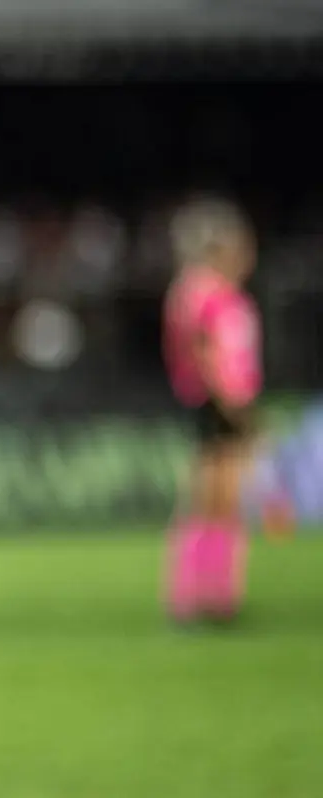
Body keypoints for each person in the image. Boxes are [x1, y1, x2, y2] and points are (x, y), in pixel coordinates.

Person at [162, 195, 263, 625]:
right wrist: (231, 404)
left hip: (220, 400)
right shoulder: (202, 291)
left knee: (220, 501)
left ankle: (213, 595)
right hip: (215, 403)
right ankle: (200, 595)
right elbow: (205, 351)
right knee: (214, 500)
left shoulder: (216, 292)